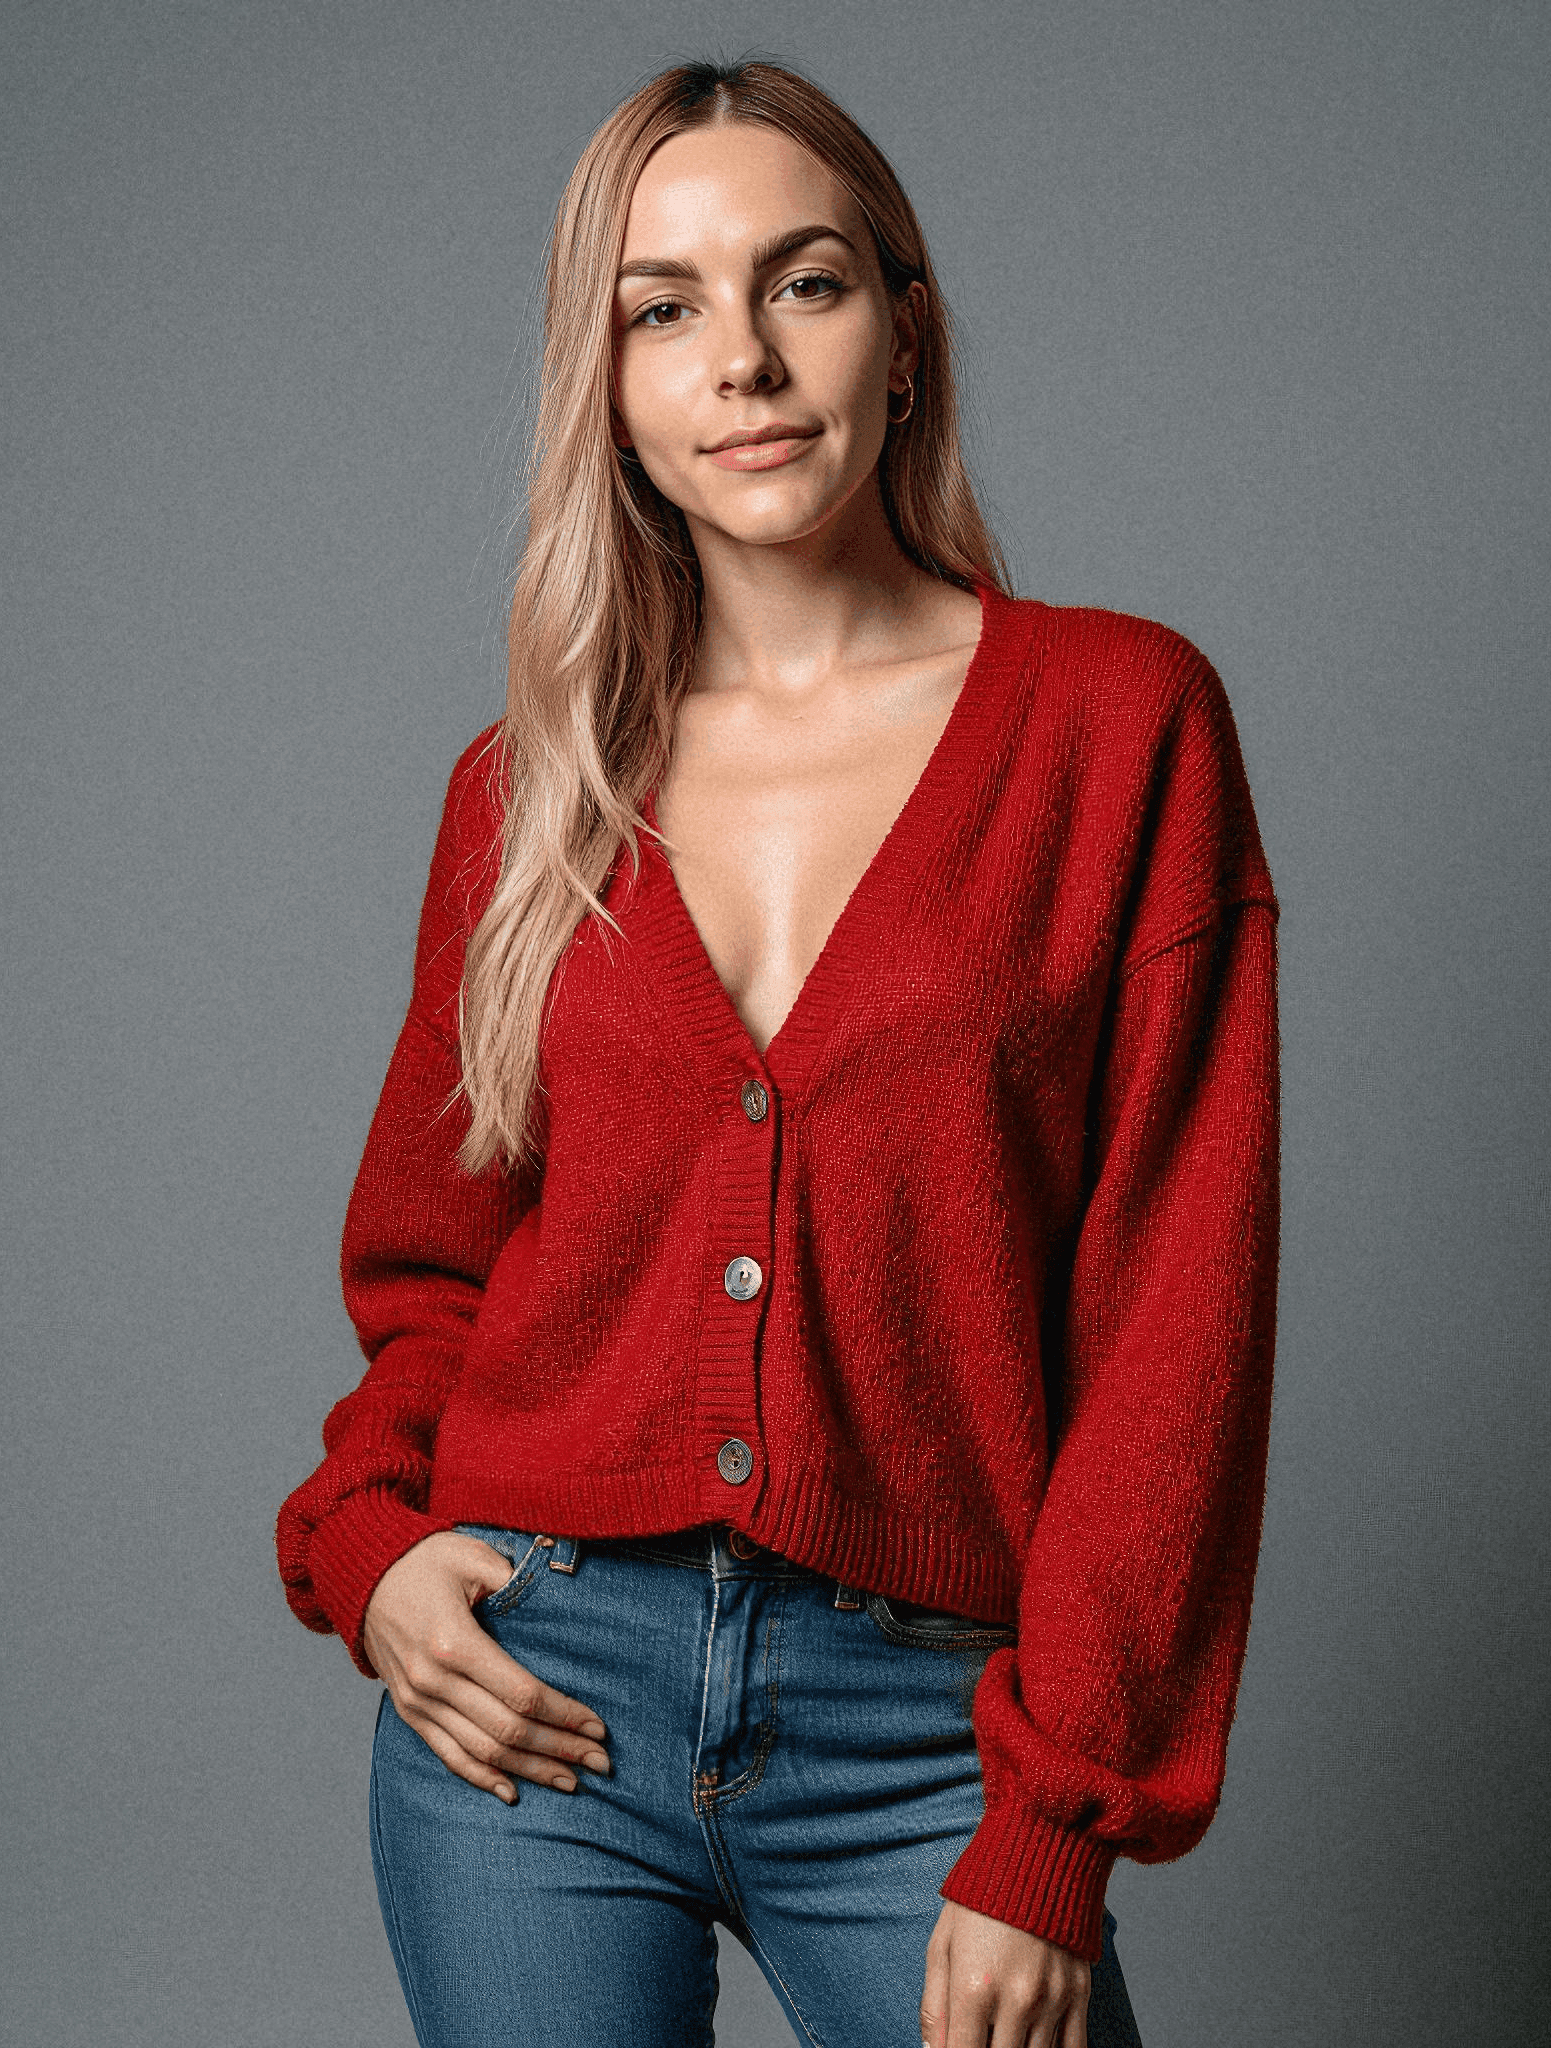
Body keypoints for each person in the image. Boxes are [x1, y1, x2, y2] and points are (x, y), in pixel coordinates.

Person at [276, 55, 1280, 2048]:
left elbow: (1177, 1323)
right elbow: (434, 1271)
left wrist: (1054, 1823)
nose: (737, 357)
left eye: (801, 283)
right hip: (536, 1696)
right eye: (663, 308)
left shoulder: (1118, 725)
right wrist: (371, 1548)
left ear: (903, 337)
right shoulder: (525, 791)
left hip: (929, 1730)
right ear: (615, 386)